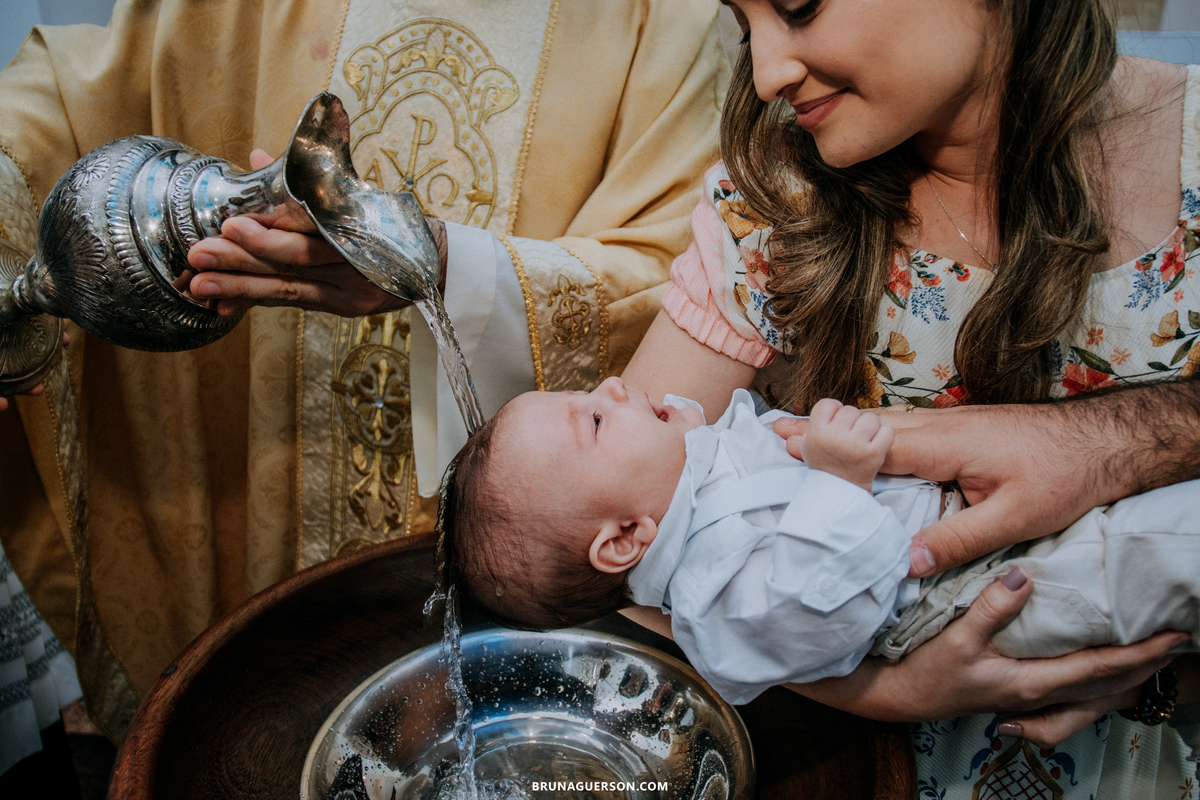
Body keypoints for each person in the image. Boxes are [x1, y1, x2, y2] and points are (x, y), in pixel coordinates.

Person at [172, 0, 1200, 795]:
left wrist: (1121, 442)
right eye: (741, 20)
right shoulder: (778, 206)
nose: (766, 72)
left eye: (797, 4)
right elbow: (622, 551)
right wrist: (878, 685)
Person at [0, 0, 728, 739]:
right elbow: (67, 94)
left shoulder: (659, 22)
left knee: (470, 730)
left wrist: (448, 268)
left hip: (524, 582)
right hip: (254, 514)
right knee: (253, 724)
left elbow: (699, 269)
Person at [445, 378, 1198, 743]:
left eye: (586, 392)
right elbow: (816, 609)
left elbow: (727, 450)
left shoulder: (681, 489)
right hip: (967, 600)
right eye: (597, 417)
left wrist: (670, 424)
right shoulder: (710, 603)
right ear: (622, 540)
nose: (610, 384)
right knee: (1164, 546)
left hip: (985, 533)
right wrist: (840, 481)